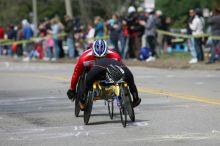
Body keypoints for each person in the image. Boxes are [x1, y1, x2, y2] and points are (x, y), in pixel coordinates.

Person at [67, 40, 141, 108]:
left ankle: (131, 98)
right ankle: (83, 98)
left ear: (107, 53)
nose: (99, 59)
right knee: (87, 78)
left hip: (107, 71)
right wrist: (72, 89)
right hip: (92, 71)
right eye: (96, 57)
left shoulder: (115, 56)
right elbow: (76, 74)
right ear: (93, 53)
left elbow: (122, 71)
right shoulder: (84, 58)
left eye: (103, 57)